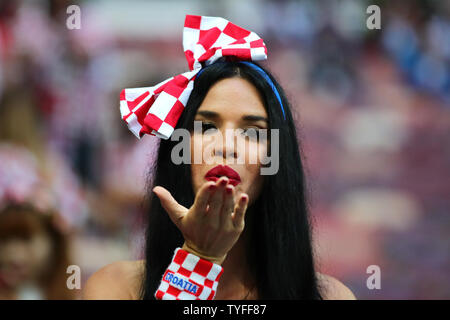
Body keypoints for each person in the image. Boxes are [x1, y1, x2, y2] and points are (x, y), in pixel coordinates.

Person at [83, 15, 356, 300]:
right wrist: (198, 259)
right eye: (208, 127)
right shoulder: (114, 288)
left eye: (252, 132)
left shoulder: (332, 297)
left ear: (277, 158)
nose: (227, 146)